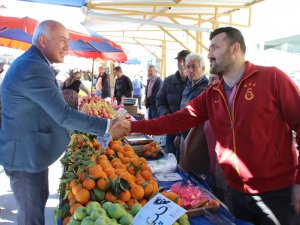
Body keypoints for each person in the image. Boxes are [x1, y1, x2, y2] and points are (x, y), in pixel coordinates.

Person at [113, 27, 300, 225]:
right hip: (235, 192)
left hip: (278, 192)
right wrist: (132, 126)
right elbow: (176, 120)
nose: (209, 54)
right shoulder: (212, 95)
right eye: (209, 49)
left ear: (235, 48)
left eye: (215, 47)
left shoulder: (272, 79)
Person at [0, 20, 124, 225]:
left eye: (68, 41)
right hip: (24, 157)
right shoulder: (33, 67)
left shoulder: (36, 63)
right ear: (42, 40)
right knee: (31, 219)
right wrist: (108, 126)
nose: (68, 47)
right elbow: (63, 114)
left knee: (35, 212)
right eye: (62, 41)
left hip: (32, 155)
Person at [173, 53, 208, 158]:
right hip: (184, 135)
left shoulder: (207, 88)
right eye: (188, 67)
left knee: (193, 170)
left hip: (197, 140)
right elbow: (182, 112)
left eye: (194, 66)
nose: (190, 70)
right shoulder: (188, 86)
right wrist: (179, 134)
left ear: (203, 68)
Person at [156, 49, 190, 155]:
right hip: (171, 128)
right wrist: (166, 115)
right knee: (170, 158)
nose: (181, 63)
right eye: (179, 60)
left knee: (186, 162)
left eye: (184, 60)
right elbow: (160, 100)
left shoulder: (194, 82)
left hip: (188, 132)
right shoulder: (168, 81)